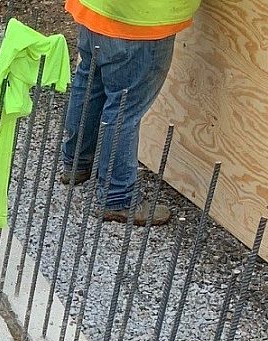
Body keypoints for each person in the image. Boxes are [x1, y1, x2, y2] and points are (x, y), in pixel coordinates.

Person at [58, 0, 201, 226]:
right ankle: (117, 197)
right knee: (124, 108)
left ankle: (77, 163)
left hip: (96, 10)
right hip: (141, 23)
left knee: (90, 82)